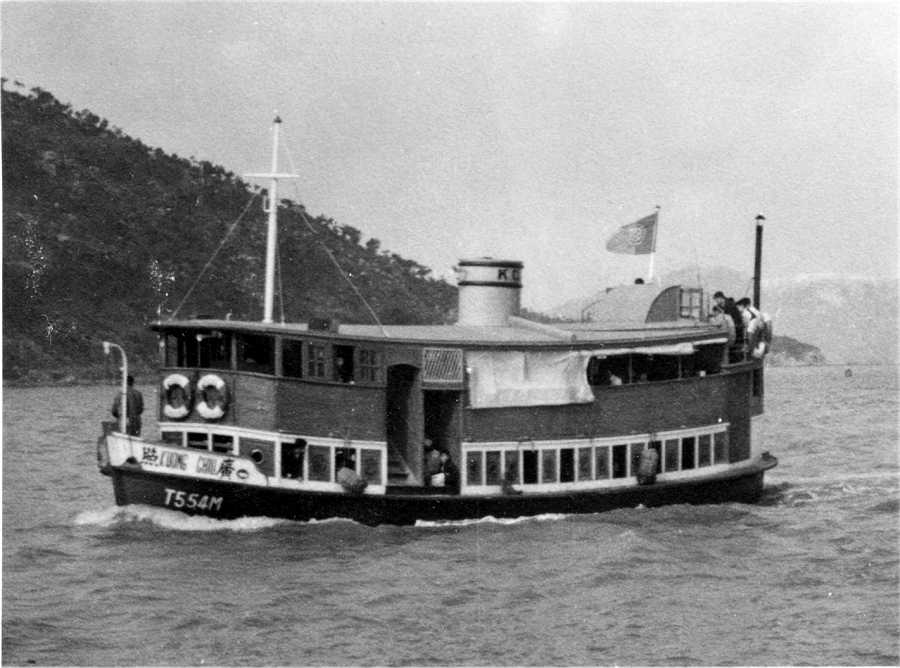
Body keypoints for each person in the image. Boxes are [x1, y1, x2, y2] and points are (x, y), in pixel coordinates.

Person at [713, 291, 744, 361]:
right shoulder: (723, 305)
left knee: (732, 350)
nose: (716, 302)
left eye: (716, 300)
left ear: (720, 298)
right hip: (732, 328)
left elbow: (730, 319)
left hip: (736, 329)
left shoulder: (730, 305)